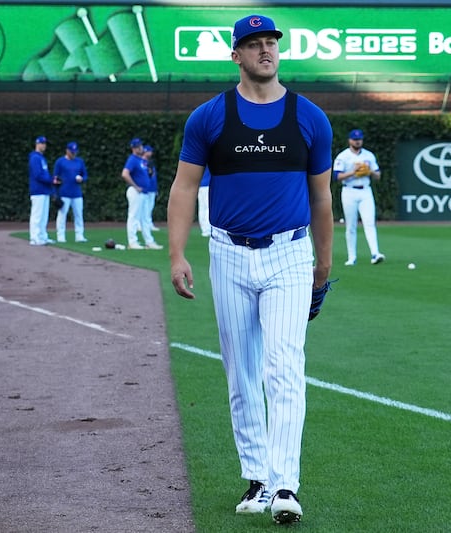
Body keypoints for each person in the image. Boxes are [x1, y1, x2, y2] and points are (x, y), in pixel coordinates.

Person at [166, 14, 333, 525]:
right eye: (254, 44)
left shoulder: (309, 117)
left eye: (271, 43)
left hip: (288, 254)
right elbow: (183, 188)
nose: (266, 51)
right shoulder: (209, 117)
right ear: (235, 55)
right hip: (228, 254)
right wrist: (176, 253)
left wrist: (322, 267)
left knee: (284, 366)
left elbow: (322, 198)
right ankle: (257, 479)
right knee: (241, 372)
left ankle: (286, 485)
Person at [332, 128, 386, 265]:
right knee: (351, 225)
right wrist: (353, 172)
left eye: (359, 139)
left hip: (365, 191)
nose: (357, 141)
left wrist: (370, 172)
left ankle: (375, 253)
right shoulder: (343, 156)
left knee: (369, 222)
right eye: (355, 139)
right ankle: (352, 257)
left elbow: (378, 175)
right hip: (349, 191)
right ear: (350, 140)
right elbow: (336, 176)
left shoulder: (368, 155)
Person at [121, 138, 162, 250]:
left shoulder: (141, 160)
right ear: (134, 148)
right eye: (138, 146)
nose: (141, 148)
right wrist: (135, 186)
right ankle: (132, 242)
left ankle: (149, 241)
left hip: (143, 192)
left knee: (144, 218)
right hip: (136, 192)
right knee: (134, 217)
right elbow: (125, 174)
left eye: (141, 146)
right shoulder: (133, 159)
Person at [53, 141, 88, 243]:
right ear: (67, 151)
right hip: (64, 192)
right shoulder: (60, 162)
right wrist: (55, 192)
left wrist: (82, 179)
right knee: (62, 215)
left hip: (77, 192)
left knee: (79, 214)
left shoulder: (79, 161)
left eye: (75, 152)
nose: (74, 154)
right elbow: (55, 177)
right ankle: (60, 236)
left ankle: (79, 235)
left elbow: (85, 175)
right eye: (72, 152)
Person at [28, 135, 55, 246]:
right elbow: (38, 175)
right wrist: (51, 180)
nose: (44, 145)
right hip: (38, 190)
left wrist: (51, 181)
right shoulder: (35, 157)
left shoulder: (41, 158)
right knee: (37, 215)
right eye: (42, 143)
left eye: (45, 143)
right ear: (37, 144)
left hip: (44, 190)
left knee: (44, 216)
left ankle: (43, 236)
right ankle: (34, 237)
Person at [142, 145, 160, 231]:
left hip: (152, 188)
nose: (151, 153)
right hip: (146, 189)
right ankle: (142, 224)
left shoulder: (151, 162)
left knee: (150, 208)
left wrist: (156, 188)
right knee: (144, 208)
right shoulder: (142, 162)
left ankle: (149, 224)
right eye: (149, 151)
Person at [197, 167, 211, 237]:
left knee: (202, 208)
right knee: (208, 207)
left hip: (200, 185)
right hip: (208, 184)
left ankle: (204, 228)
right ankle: (207, 229)